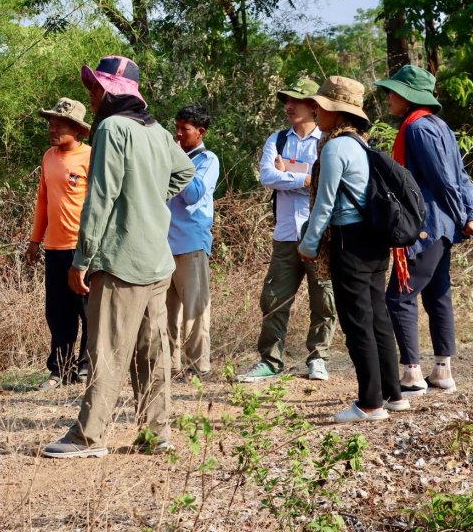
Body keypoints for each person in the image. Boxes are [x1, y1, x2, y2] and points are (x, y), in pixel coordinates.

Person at [41, 56, 195, 458]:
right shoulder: (157, 130)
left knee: (106, 349)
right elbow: (185, 172)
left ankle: (88, 437)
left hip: (120, 260)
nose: (91, 95)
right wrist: (149, 199)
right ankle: (156, 434)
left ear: (112, 91)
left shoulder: (112, 128)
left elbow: (100, 197)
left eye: (96, 87)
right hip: (156, 259)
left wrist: (82, 258)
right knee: (152, 351)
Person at [298, 76, 407, 422]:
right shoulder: (360, 143)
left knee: (358, 322)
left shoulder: (334, 148)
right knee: (377, 317)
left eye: (320, 107)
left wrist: (309, 244)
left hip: (350, 241)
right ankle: (393, 394)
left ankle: (370, 404)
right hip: (374, 239)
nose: (316, 112)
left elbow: (325, 204)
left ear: (336, 111)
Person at [375, 65, 473, 396]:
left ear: (408, 96)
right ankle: (442, 371)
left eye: (393, 92)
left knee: (399, 296)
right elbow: (461, 176)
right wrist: (466, 213)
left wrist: (464, 215)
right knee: (437, 292)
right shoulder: (439, 126)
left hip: (426, 226)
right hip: (440, 225)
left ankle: (412, 374)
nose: (388, 97)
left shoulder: (417, 128)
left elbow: (444, 179)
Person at [238, 78, 337, 383]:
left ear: (314, 106)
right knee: (273, 298)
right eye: (286, 101)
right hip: (284, 234)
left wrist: (291, 173)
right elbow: (267, 176)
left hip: (319, 234)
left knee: (323, 298)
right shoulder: (278, 139)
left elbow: (328, 182)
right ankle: (270, 360)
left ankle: (318, 357)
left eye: (296, 100)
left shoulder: (329, 140)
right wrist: (305, 178)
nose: (289, 106)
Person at [25, 98, 93, 389]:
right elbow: (42, 201)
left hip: (84, 249)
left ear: (77, 130)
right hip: (54, 248)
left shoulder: (91, 156)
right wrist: (34, 241)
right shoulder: (48, 157)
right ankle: (61, 370)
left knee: (88, 311)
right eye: (50, 124)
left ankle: (87, 368)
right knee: (58, 313)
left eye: (59, 125)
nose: (52, 129)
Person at [166, 105, 219, 379]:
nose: (178, 134)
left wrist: (176, 157)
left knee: (194, 311)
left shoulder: (208, 160)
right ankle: (170, 366)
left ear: (200, 132)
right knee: (167, 312)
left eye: (184, 129)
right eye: (176, 127)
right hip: (164, 244)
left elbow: (193, 194)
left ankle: (199, 367)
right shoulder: (170, 157)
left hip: (191, 243)